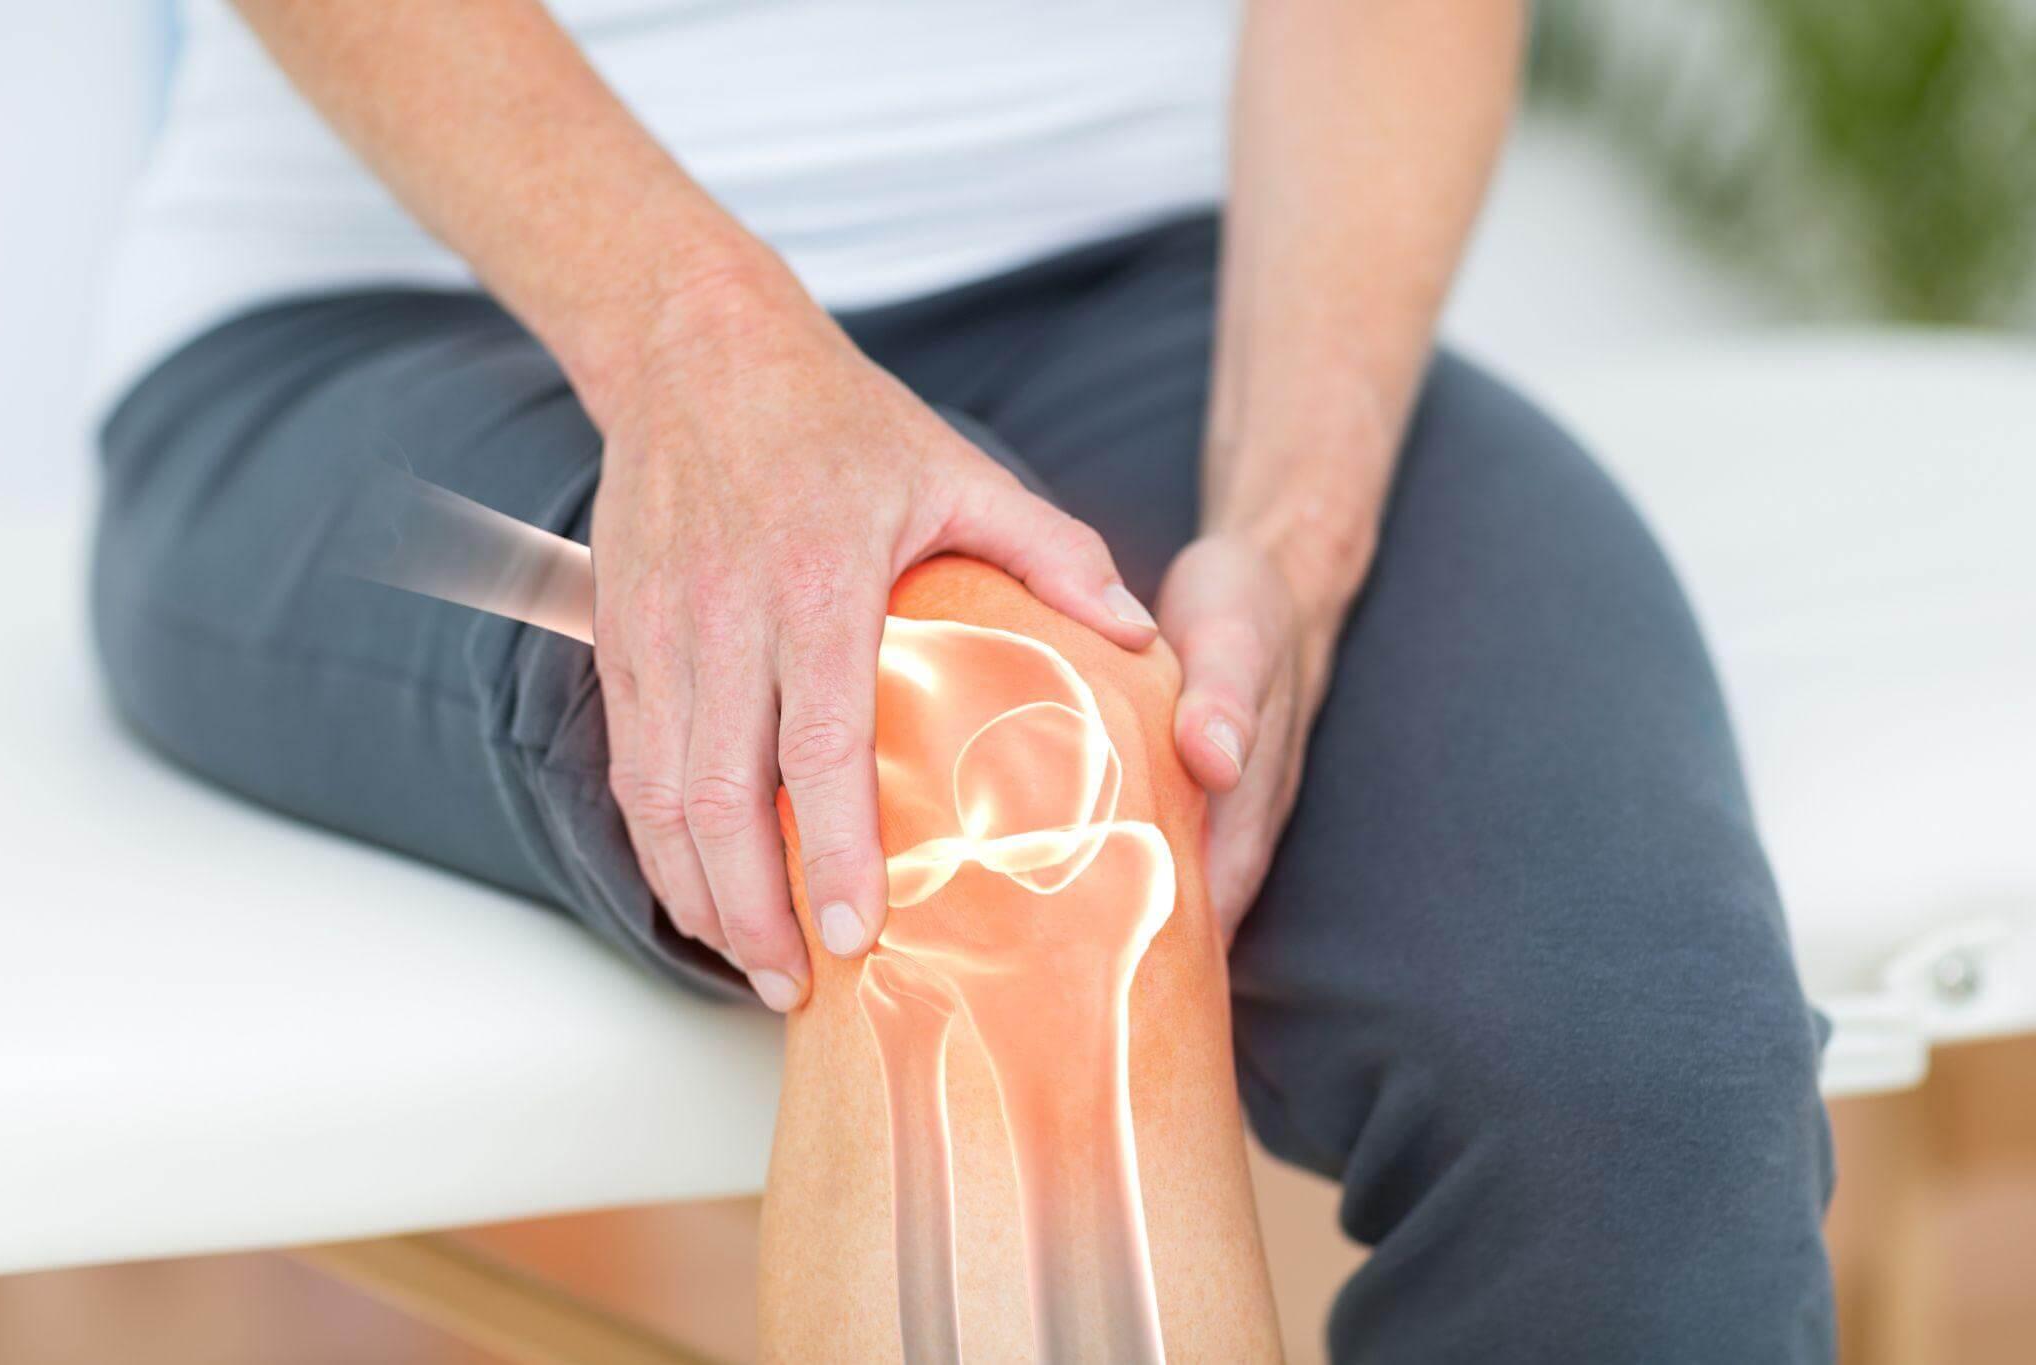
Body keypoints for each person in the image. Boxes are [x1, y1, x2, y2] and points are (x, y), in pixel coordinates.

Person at [89, 1, 1835, 1359]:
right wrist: (702, 337)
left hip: (1166, 295)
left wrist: (1293, 536)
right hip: (421, 338)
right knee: (998, 794)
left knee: (1631, 1085)